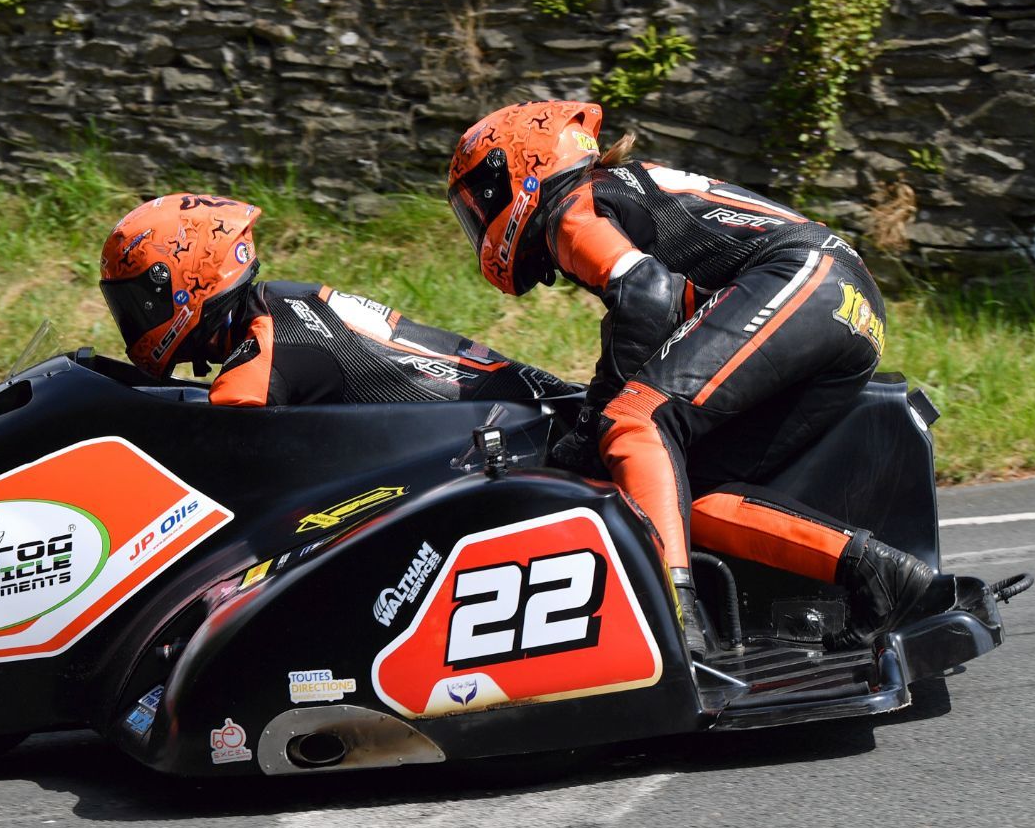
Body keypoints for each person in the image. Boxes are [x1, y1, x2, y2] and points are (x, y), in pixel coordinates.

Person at [445, 99, 933, 658]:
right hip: (844, 305)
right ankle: (883, 576)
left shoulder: (571, 208)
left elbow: (647, 297)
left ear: (522, 167)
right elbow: (664, 307)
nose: (479, 218)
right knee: (671, 492)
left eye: (480, 199)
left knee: (635, 423)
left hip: (806, 280)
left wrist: (594, 421)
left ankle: (672, 623)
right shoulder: (613, 190)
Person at [99, 192, 572, 407]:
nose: (135, 318)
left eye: (140, 301)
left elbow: (210, 450)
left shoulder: (261, 351)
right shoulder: (280, 302)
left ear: (185, 280)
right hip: (527, 397)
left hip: (510, 427)